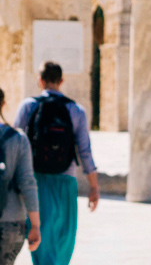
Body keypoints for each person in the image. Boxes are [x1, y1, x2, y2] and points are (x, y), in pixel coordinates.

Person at [13, 62, 99, 265]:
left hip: (37, 181)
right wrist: (94, 186)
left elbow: (14, 144)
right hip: (66, 180)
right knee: (64, 238)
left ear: (40, 80)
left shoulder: (28, 106)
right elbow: (84, 151)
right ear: (62, 81)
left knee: (41, 235)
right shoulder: (76, 110)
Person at [0, 88, 41, 265]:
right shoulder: (18, 138)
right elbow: (27, 183)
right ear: (3, 104)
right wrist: (36, 225)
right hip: (11, 220)